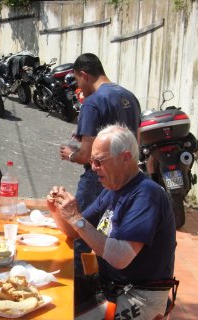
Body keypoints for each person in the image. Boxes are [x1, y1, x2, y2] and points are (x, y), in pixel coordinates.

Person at [37, 125, 177, 320]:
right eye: (91, 161)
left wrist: (76, 218)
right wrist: (56, 210)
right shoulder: (112, 189)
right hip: (109, 286)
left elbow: (120, 257)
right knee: (47, 311)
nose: (93, 168)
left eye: (99, 161)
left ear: (125, 158)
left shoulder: (146, 195)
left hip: (140, 299)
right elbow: (73, 231)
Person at [60, 53, 141, 212]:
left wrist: (70, 154)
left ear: (84, 75)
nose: (79, 87)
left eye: (78, 81)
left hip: (99, 180)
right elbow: (136, 139)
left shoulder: (92, 102)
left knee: (80, 228)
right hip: (128, 179)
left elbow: (85, 156)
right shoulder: (130, 97)